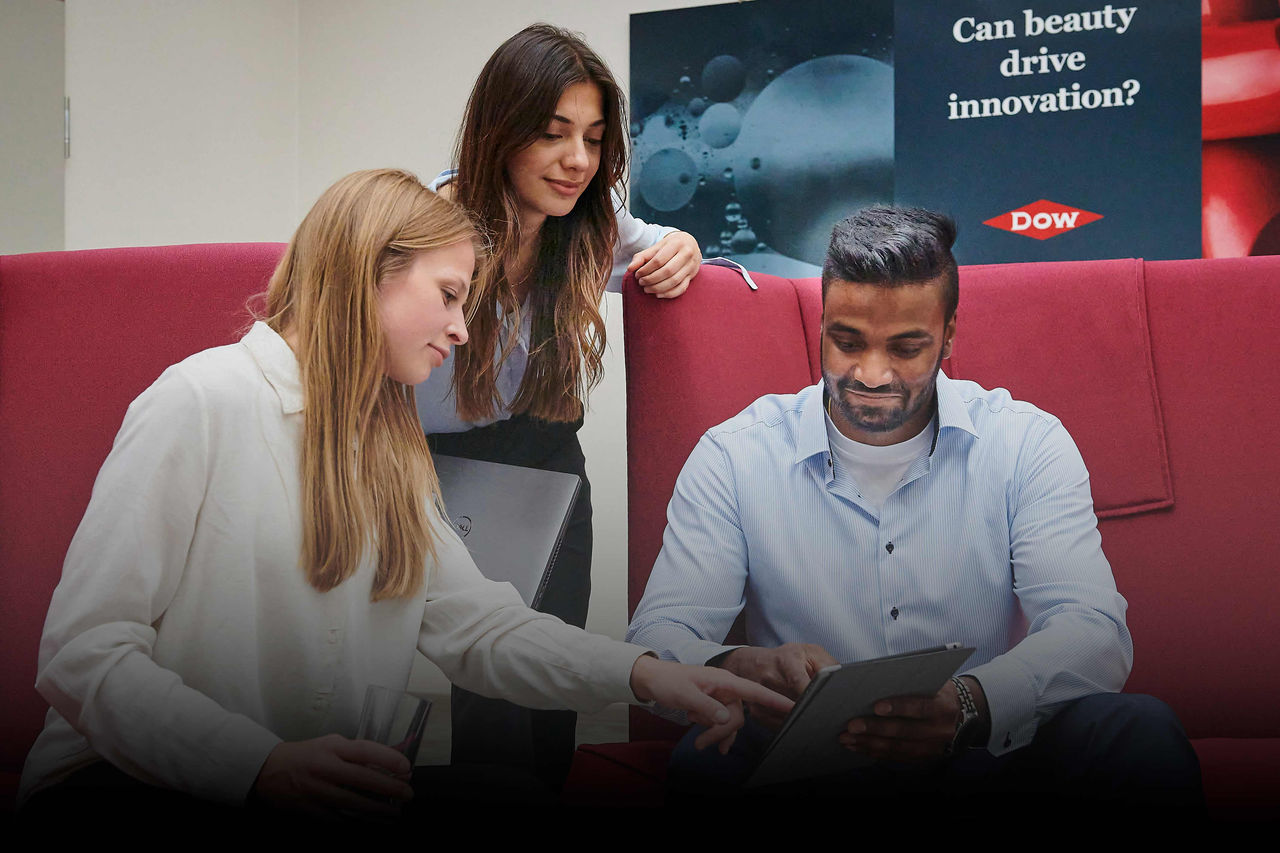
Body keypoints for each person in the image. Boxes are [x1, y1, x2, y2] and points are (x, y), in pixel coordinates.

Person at [16, 169, 788, 823]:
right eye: (451, 296)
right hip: (129, 779)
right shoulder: (199, 400)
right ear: (372, 272)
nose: (461, 330)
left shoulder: (388, 444)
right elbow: (82, 655)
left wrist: (650, 673)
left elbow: (478, 625)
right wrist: (260, 765)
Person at [626, 207, 1202, 810]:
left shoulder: (1026, 441)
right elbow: (657, 640)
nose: (871, 374)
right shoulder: (733, 454)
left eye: (906, 348)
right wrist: (738, 665)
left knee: (1138, 732)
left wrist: (971, 703)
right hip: (806, 768)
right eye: (847, 342)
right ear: (821, 325)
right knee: (702, 764)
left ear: (950, 335)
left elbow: (1093, 632)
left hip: (980, 753)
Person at [416, 23, 702, 790]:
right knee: (442, 673)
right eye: (552, 135)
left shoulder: (591, 220)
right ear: (499, 133)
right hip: (420, 463)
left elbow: (659, 244)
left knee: (537, 690)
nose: (578, 161)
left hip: (542, 458)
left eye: (595, 137)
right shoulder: (423, 228)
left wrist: (685, 245)